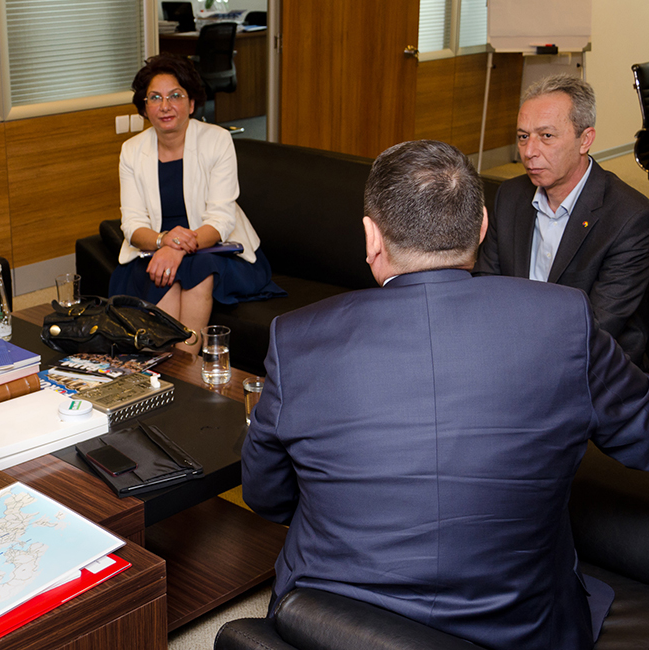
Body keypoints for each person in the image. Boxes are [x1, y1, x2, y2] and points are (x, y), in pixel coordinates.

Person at [241, 139, 649, 650]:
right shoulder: (564, 318)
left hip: (337, 621)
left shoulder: (296, 338)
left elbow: (266, 495)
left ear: (371, 237)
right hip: (523, 627)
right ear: (482, 227)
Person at [109, 54, 283, 352]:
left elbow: (221, 219)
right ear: (145, 108)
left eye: (175, 96)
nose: (165, 105)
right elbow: (133, 224)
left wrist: (174, 247)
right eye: (155, 97)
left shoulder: (216, 140)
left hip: (214, 246)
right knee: (163, 273)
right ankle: (170, 367)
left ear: (191, 104)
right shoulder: (132, 151)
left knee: (197, 268)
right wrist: (163, 242)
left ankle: (185, 367)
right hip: (155, 247)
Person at [474, 74, 649, 366]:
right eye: (523, 136)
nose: (529, 152)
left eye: (546, 136)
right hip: (511, 351)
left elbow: (599, 326)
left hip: (590, 367)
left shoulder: (630, 218)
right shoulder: (509, 195)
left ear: (585, 140)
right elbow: (485, 286)